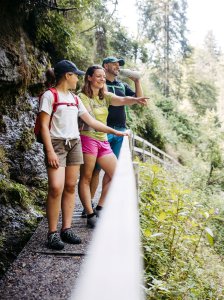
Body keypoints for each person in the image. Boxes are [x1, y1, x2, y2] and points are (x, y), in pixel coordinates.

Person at [38, 60, 127, 250]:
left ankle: (66, 229)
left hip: (75, 144)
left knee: (70, 186)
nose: (77, 79)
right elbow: (44, 126)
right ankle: (52, 233)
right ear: (67, 76)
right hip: (57, 145)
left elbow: (91, 122)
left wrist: (115, 131)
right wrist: (50, 150)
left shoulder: (74, 98)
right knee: (56, 187)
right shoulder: (49, 95)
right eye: (76, 75)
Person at [78, 65, 148, 228]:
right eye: (98, 76)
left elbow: (123, 100)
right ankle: (89, 213)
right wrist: (114, 132)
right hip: (88, 138)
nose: (102, 79)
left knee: (116, 173)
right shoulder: (82, 97)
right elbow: (92, 122)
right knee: (86, 177)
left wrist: (136, 99)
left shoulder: (105, 96)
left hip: (102, 140)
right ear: (89, 77)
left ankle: (100, 207)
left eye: (103, 76)